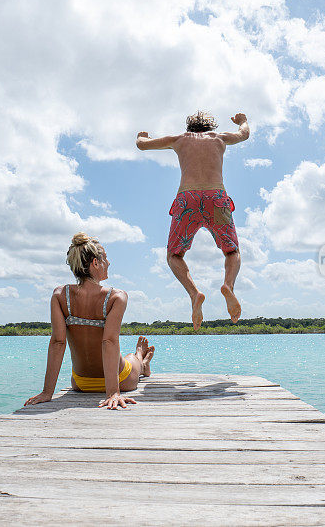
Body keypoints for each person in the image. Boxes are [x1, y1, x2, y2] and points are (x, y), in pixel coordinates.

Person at [136, 110, 249, 330]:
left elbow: (143, 145)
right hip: (216, 197)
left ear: (189, 127)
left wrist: (142, 136)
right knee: (232, 251)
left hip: (187, 199)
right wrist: (242, 121)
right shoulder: (219, 138)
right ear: (210, 127)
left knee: (174, 255)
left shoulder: (179, 139)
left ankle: (194, 294)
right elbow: (243, 134)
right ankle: (228, 286)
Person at [24, 232, 155, 410]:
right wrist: (113, 393)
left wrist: (47, 392)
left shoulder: (60, 296)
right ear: (95, 263)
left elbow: (57, 342)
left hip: (81, 383)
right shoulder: (116, 297)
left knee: (128, 358)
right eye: (106, 258)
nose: (109, 263)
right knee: (132, 359)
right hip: (121, 380)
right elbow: (109, 341)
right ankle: (142, 360)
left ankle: (141, 359)